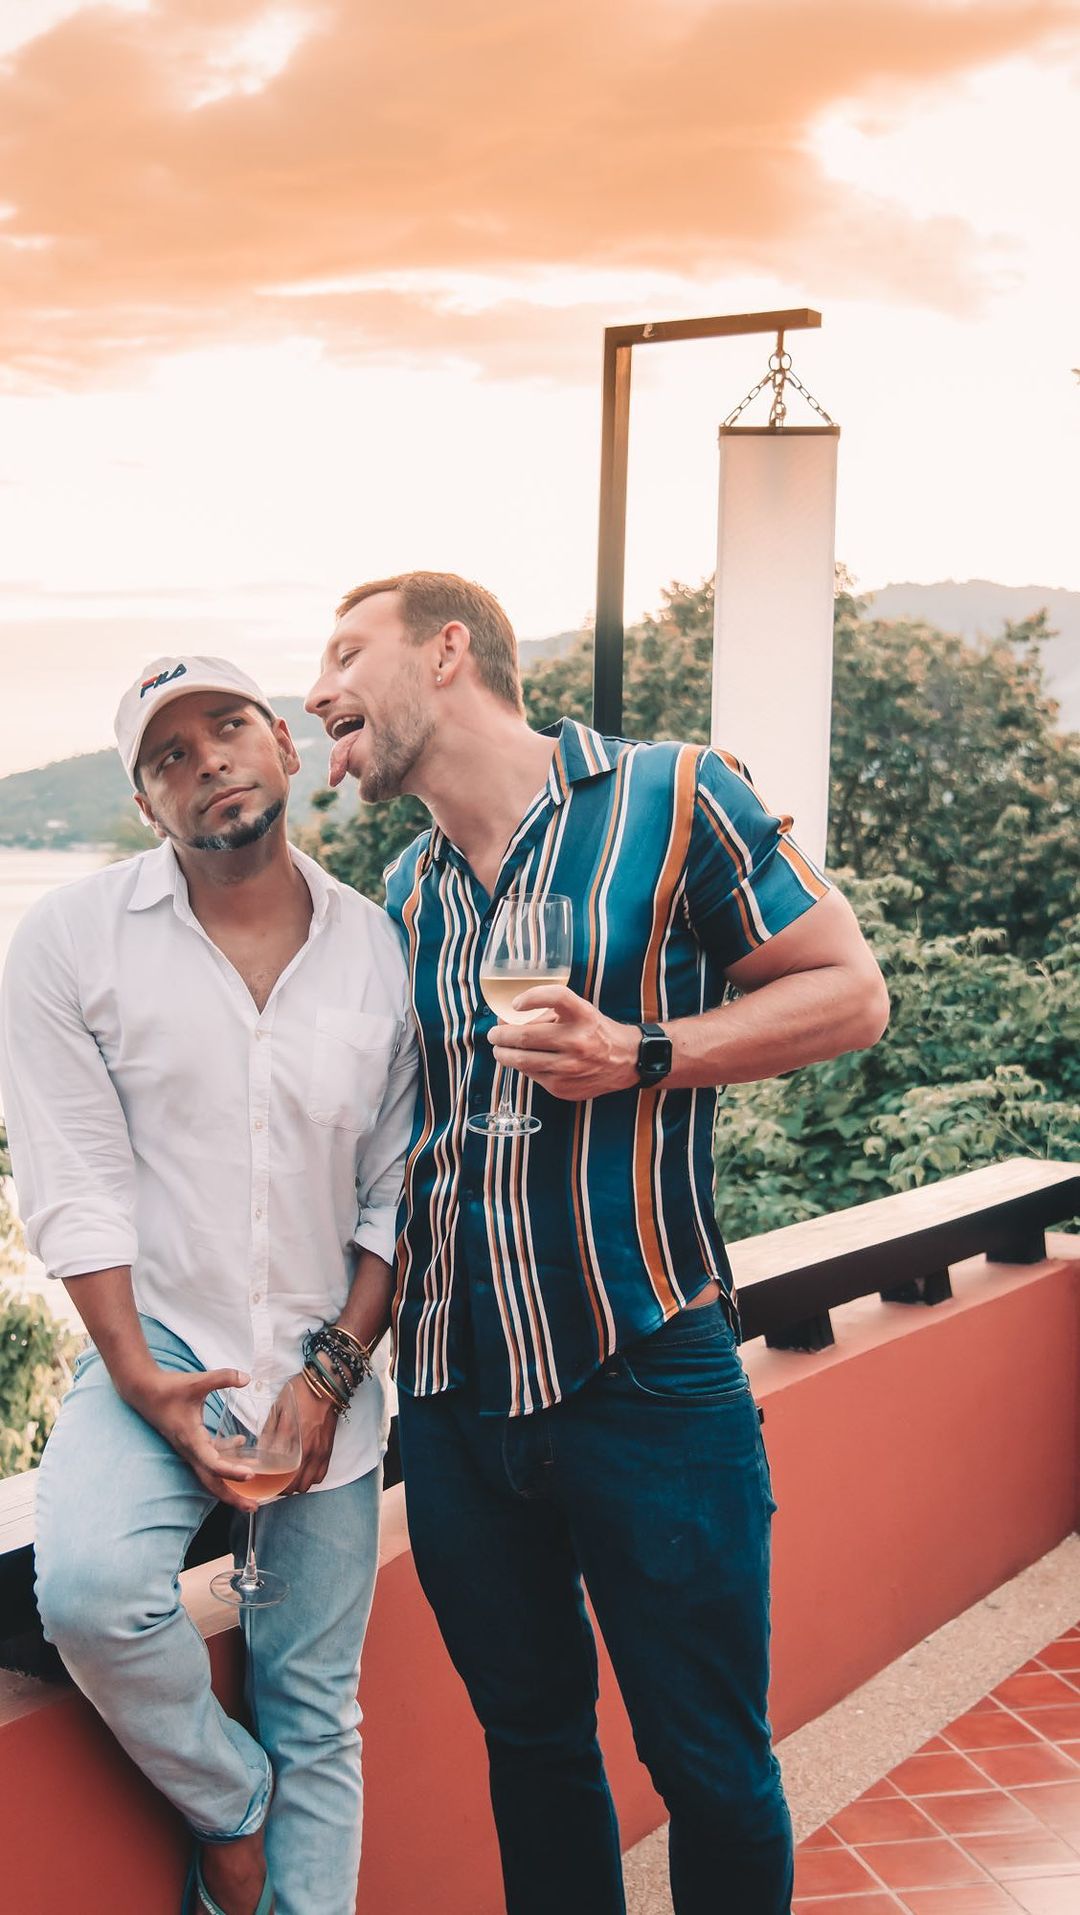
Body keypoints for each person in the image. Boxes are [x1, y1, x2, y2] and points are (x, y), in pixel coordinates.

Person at [306, 573, 890, 1915]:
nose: (319, 690)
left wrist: (640, 1050)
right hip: (457, 1397)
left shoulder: (672, 794)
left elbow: (852, 992)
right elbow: (415, 1140)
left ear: (447, 651)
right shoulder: (408, 890)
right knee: (532, 1750)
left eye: (346, 653)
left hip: (646, 1371)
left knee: (709, 1762)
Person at [0, 657, 416, 1915]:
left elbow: (398, 1189)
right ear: (147, 805)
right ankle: (232, 1803)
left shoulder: (381, 948)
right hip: (160, 1339)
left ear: (283, 743)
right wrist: (140, 1378)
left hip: (329, 1353)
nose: (207, 761)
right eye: (168, 756)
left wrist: (330, 1376)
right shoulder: (68, 941)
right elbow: (74, 1183)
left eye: (226, 726)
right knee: (88, 1589)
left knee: (316, 1707)